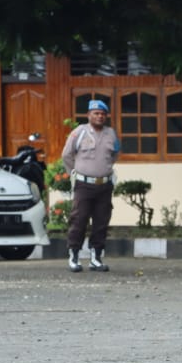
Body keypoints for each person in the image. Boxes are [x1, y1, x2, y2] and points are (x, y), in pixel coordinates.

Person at [62, 99, 120, 273]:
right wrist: (76, 173)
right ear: (89, 115)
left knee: (101, 221)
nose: (100, 116)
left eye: (103, 114)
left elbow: (115, 154)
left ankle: (96, 258)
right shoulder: (79, 132)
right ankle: (74, 257)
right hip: (83, 184)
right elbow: (67, 155)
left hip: (104, 185)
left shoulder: (111, 134)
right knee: (79, 219)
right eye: (96, 113)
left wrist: (104, 169)